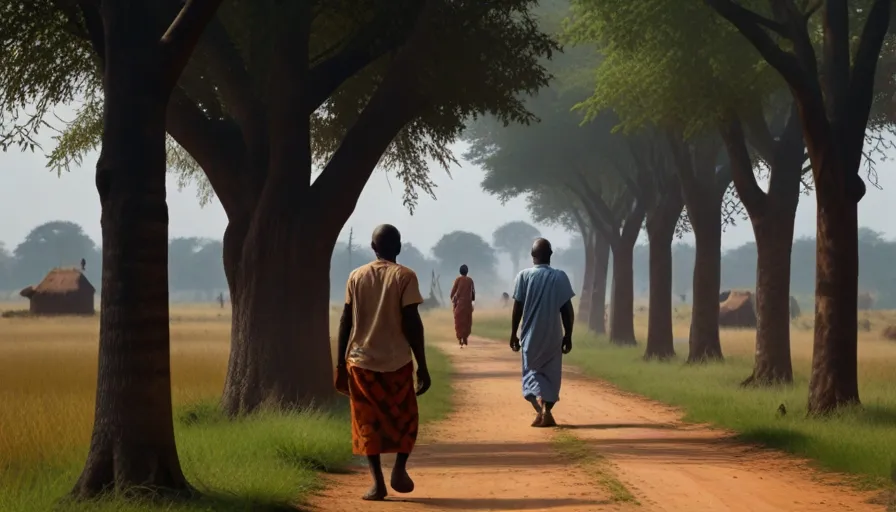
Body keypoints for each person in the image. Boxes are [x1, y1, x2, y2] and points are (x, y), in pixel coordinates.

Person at [334, 224, 432, 501]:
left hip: (361, 362)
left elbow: (346, 319)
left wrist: (341, 363)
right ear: (398, 247)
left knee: (367, 424)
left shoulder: (356, 276)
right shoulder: (405, 276)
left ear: (373, 247)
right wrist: (421, 364)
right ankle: (399, 467)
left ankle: (378, 483)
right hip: (397, 362)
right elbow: (412, 322)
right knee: (406, 418)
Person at [509, 238, 575, 428]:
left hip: (530, 337)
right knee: (551, 375)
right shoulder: (560, 277)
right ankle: (546, 411)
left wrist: (513, 333)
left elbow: (517, 308)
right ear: (551, 255)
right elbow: (567, 310)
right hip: (553, 336)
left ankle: (541, 411)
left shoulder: (523, 276)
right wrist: (568, 334)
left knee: (531, 374)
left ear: (532, 256)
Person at [450, 264, 475, 347]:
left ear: (460, 271)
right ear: (467, 271)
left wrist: (453, 299)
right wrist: (472, 302)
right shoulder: (470, 280)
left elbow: (453, 291)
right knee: (467, 321)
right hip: (468, 304)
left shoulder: (458, 280)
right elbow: (473, 292)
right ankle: (465, 337)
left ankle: (460, 338)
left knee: (459, 321)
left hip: (460, 304)